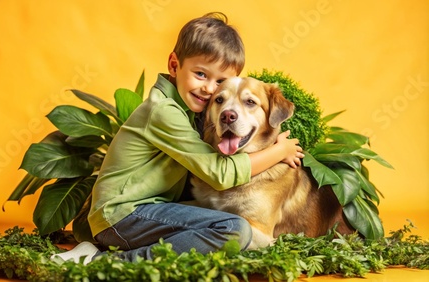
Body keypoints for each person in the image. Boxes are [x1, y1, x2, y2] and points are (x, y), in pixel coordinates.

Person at [51, 12, 303, 264]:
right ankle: (104, 262)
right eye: (201, 74)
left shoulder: (188, 110)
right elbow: (219, 173)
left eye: (220, 81)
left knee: (223, 225)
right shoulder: (163, 111)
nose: (209, 88)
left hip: (145, 212)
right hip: (123, 216)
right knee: (233, 229)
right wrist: (279, 152)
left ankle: (100, 254)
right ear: (174, 65)